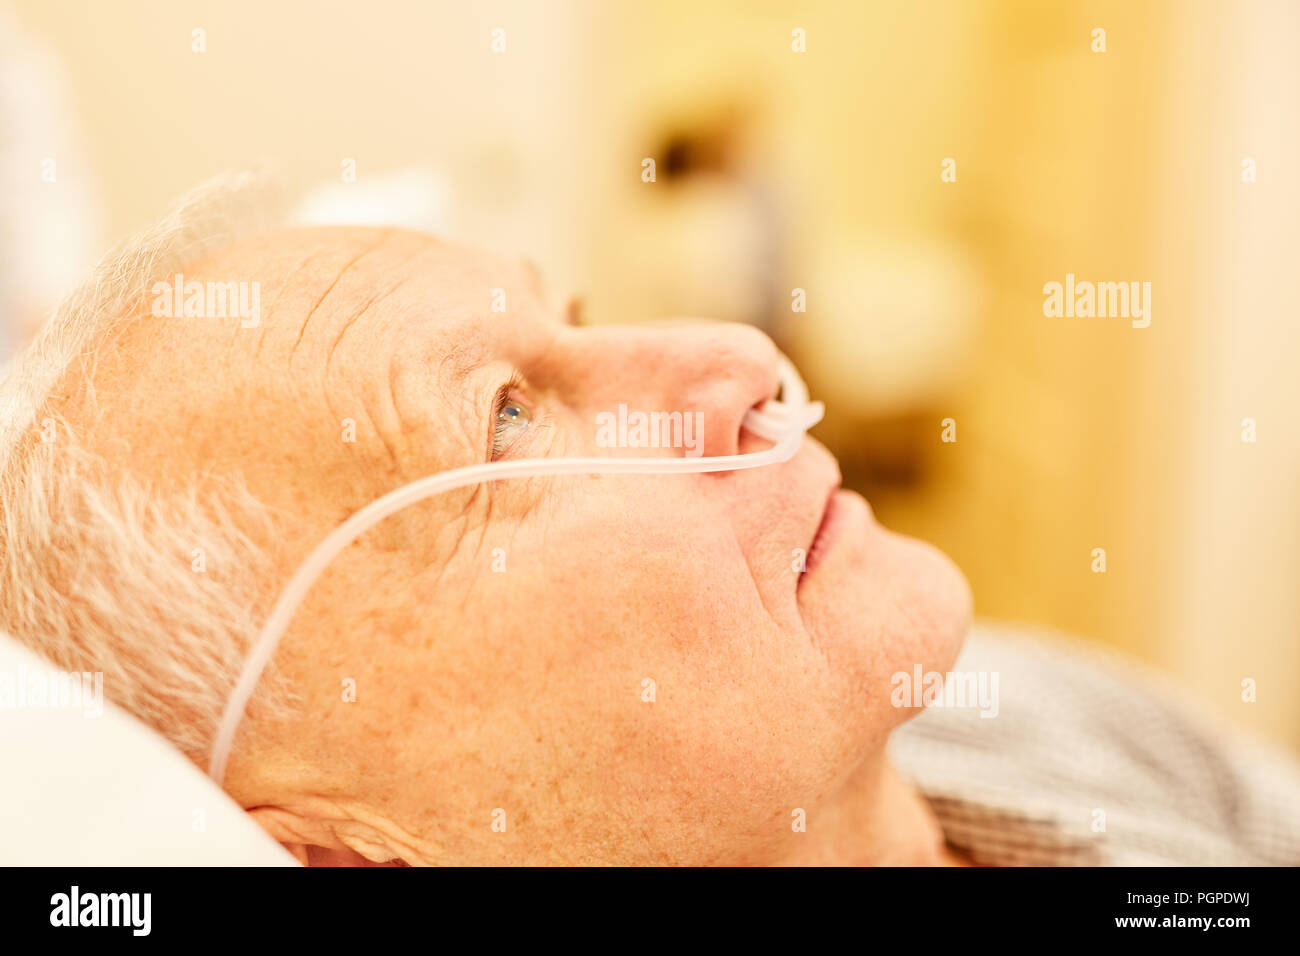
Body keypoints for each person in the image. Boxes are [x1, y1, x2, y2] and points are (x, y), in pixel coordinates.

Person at [2, 175, 1297, 865]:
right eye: (507, 418)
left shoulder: (1022, 708)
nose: (739, 360)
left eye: (571, 316)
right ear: (356, 858)